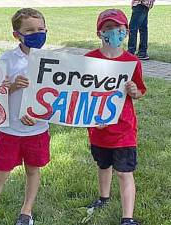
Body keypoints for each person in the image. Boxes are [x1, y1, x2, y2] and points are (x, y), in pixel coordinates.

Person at [0, 8, 50, 225]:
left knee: (33, 171)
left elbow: (57, 96)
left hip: (37, 129)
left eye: (41, 29)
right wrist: (14, 86)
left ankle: (26, 212)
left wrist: (38, 115)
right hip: (10, 129)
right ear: (17, 35)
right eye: (30, 30)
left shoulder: (52, 60)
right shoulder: (7, 59)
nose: (36, 33)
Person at [85, 9, 147, 225]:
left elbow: (139, 93)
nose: (113, 33)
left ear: (126, 32)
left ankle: (127, 218)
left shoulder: (132, 62)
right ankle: (103, 198)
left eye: (119, 28)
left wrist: (133, 91)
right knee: (103, 165)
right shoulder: (89, 59)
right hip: (98, 127)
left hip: (124, 128)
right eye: (108, 28)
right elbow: (80, 93)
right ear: (99, 33)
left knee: (124, 172)